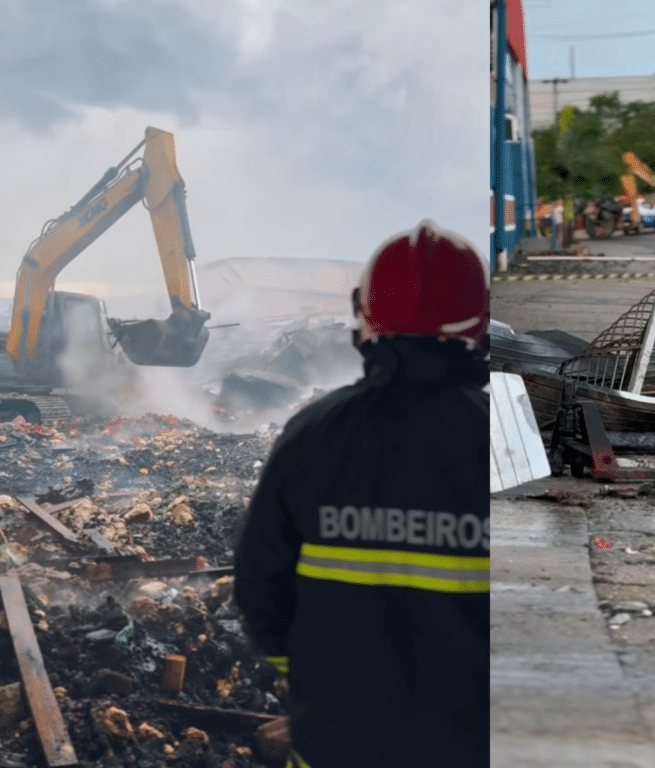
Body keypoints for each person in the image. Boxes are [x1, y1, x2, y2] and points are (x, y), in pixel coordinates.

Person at [234, 220, 490, 768]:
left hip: (334, 741)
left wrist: (301, 675)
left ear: (365, 322)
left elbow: (260, 585)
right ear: (480, 324)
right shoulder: (507, 443)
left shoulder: (311, 434)